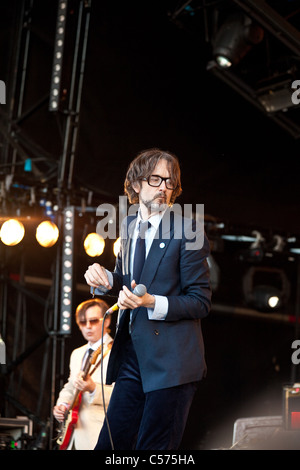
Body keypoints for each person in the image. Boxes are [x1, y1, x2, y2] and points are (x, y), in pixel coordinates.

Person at [84, 148, 211, 450]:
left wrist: (151, 302)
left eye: (170, 181)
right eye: (156, 179)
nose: (164, 188)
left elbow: (200, 301)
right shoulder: (128, 227)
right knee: (109, 447)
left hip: (171, 364)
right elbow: (127, 282)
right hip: (133, 355)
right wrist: (104, 279)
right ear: (136, 184)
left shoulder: (188, 230)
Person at [53, 298, 114, 450]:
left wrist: (93, 388)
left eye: (93, 321)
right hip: (72, 434)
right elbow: (71, 385)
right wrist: (62, 405)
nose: (87, 326)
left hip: (100, 434)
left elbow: (125, 395)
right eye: (82, 322)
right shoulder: (77, 353)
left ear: (106, 322)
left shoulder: (118, 352)